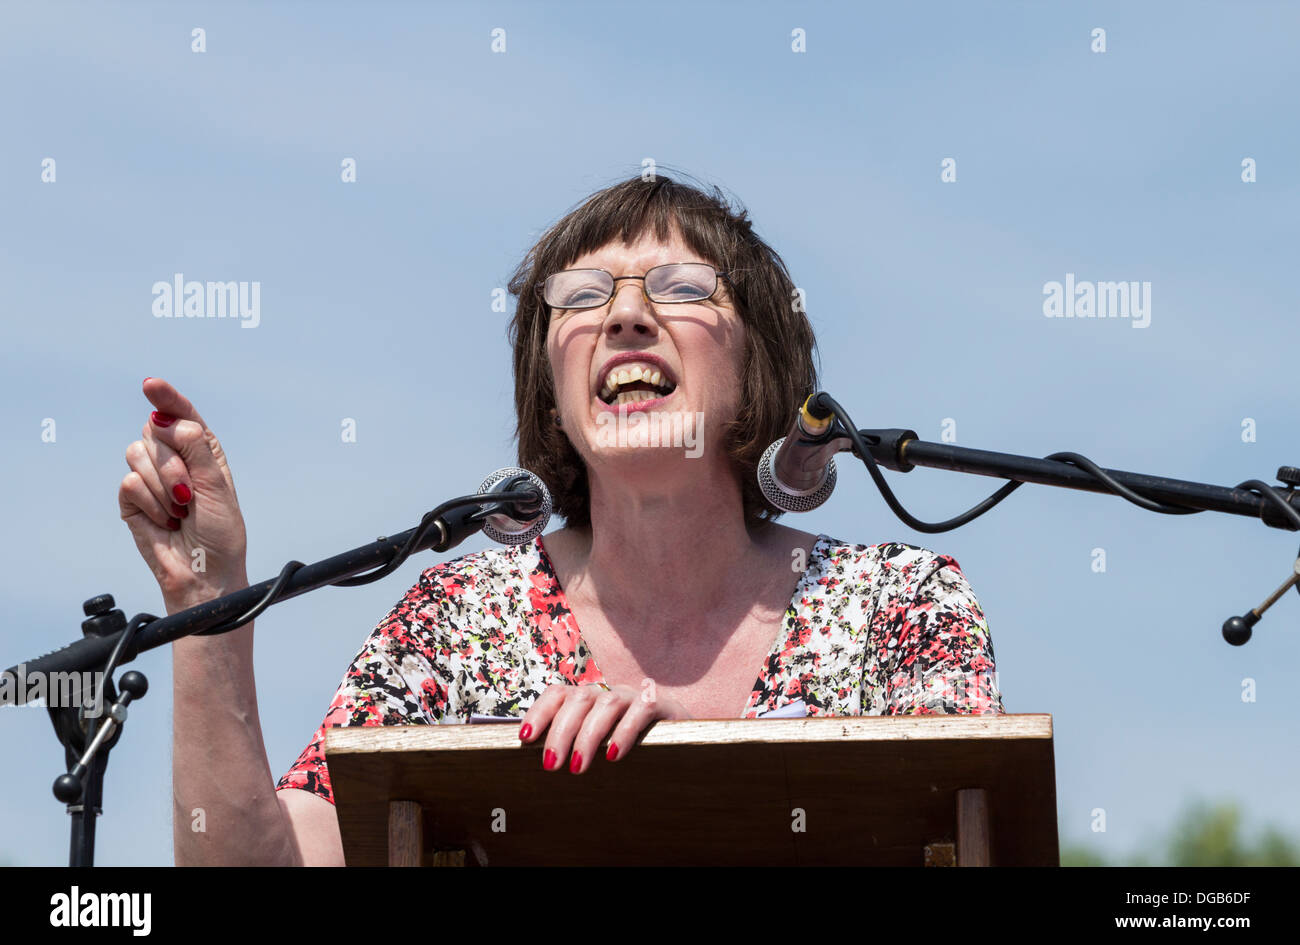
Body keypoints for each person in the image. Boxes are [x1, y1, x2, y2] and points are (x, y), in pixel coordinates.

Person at [119, 173, 1004, 867]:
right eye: (580, 295)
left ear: (762, 363)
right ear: (552, 389)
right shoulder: (457, 621)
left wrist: (682, 779)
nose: (623, 313)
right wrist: (207, 603)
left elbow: (956, 844)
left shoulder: (899, 602)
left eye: (680, 286)